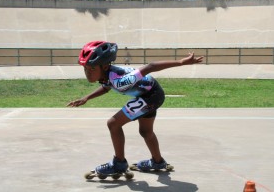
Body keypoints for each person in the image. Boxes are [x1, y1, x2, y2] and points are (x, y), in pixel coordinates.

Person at [67, 41, 203, 175]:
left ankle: (119, 164)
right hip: (152, 93)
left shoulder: (120, 80)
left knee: (113, 124)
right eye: (85, 68)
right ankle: (158, 161)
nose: (88, 73)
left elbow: (150, 66)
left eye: (92, 69)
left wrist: (181, 62)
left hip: (151, 96)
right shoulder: (108, 74)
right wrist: (86, 98)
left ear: (104, 66)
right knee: (145, 132)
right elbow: (106, 87)